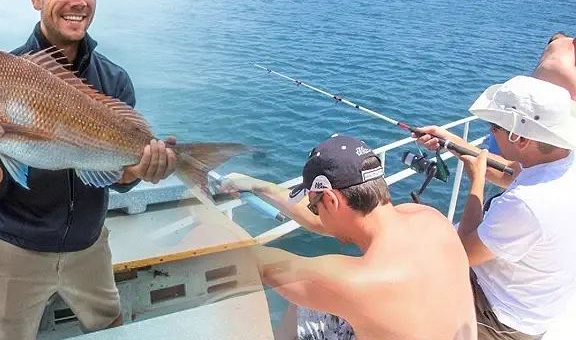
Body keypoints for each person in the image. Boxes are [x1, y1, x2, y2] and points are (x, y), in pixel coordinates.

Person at [0, 0, 178, 340]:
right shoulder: (3, 76)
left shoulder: (114, 81)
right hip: (16, 254)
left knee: (110, 331)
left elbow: (116, 176)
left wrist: (139, 169)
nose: (78, 0)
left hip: (90, 250)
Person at [220, 135, 477, 340]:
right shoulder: (429, 218)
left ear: (331, 199)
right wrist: (258, 185)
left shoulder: (354, 281)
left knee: (303, 308)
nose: (315, 213)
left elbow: (254, 260)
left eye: (314, 205)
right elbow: (328, 222)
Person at [415, 75, 576, 339]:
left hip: (500, 316)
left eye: (494, 126)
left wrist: (476, 182)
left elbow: (464, 252)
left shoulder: (529, 202)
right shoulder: (562, 162)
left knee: (406, 266)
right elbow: (511, 172)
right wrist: (451, 141)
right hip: (537, 301)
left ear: (520, 138)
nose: (490, 132)